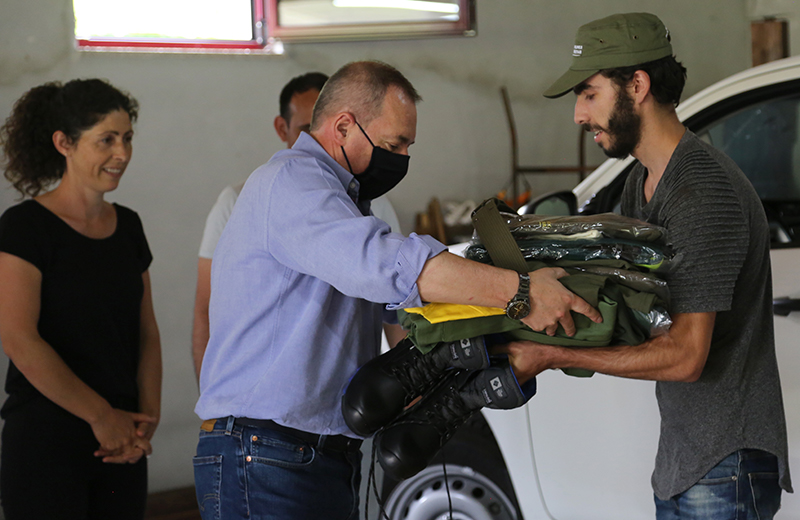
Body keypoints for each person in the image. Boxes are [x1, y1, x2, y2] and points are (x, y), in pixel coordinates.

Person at [193, 60, 602, 520]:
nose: (403, 158)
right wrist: (521, 291)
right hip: (266, 454)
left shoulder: (349, 205)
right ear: (344, 126)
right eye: (394, 144)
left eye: (408, 145)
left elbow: (401, 315)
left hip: (318, 455)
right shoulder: (290, 183)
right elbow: (388, 266)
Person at [502, 12, 792, 519]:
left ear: (636, 85)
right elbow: (629, 304)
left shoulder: (702, 191)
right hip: (685, 463)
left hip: (725, 466)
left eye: (588, 94)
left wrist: (551, 357)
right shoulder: (644, 181)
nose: (578, 114)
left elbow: (684, 356)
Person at [0, 79, 162, 520]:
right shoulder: (24, 227)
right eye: (106, 140)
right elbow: (18, 338)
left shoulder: (128, 226)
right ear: (64, 143)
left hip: (123, 442)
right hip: (45, 443)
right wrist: (101, 416)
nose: (122, 154)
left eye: (127, 138)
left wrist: (146, 419)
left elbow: (147, 332)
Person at [191, 71, 404, 380]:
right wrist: (211, 394)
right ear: (282, 128)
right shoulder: (240, 200)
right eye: (308, 129)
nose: (324, 140)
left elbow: (396, 308)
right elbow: (205, 310)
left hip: (342, 405)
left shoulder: (375, 205)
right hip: (262, 411)